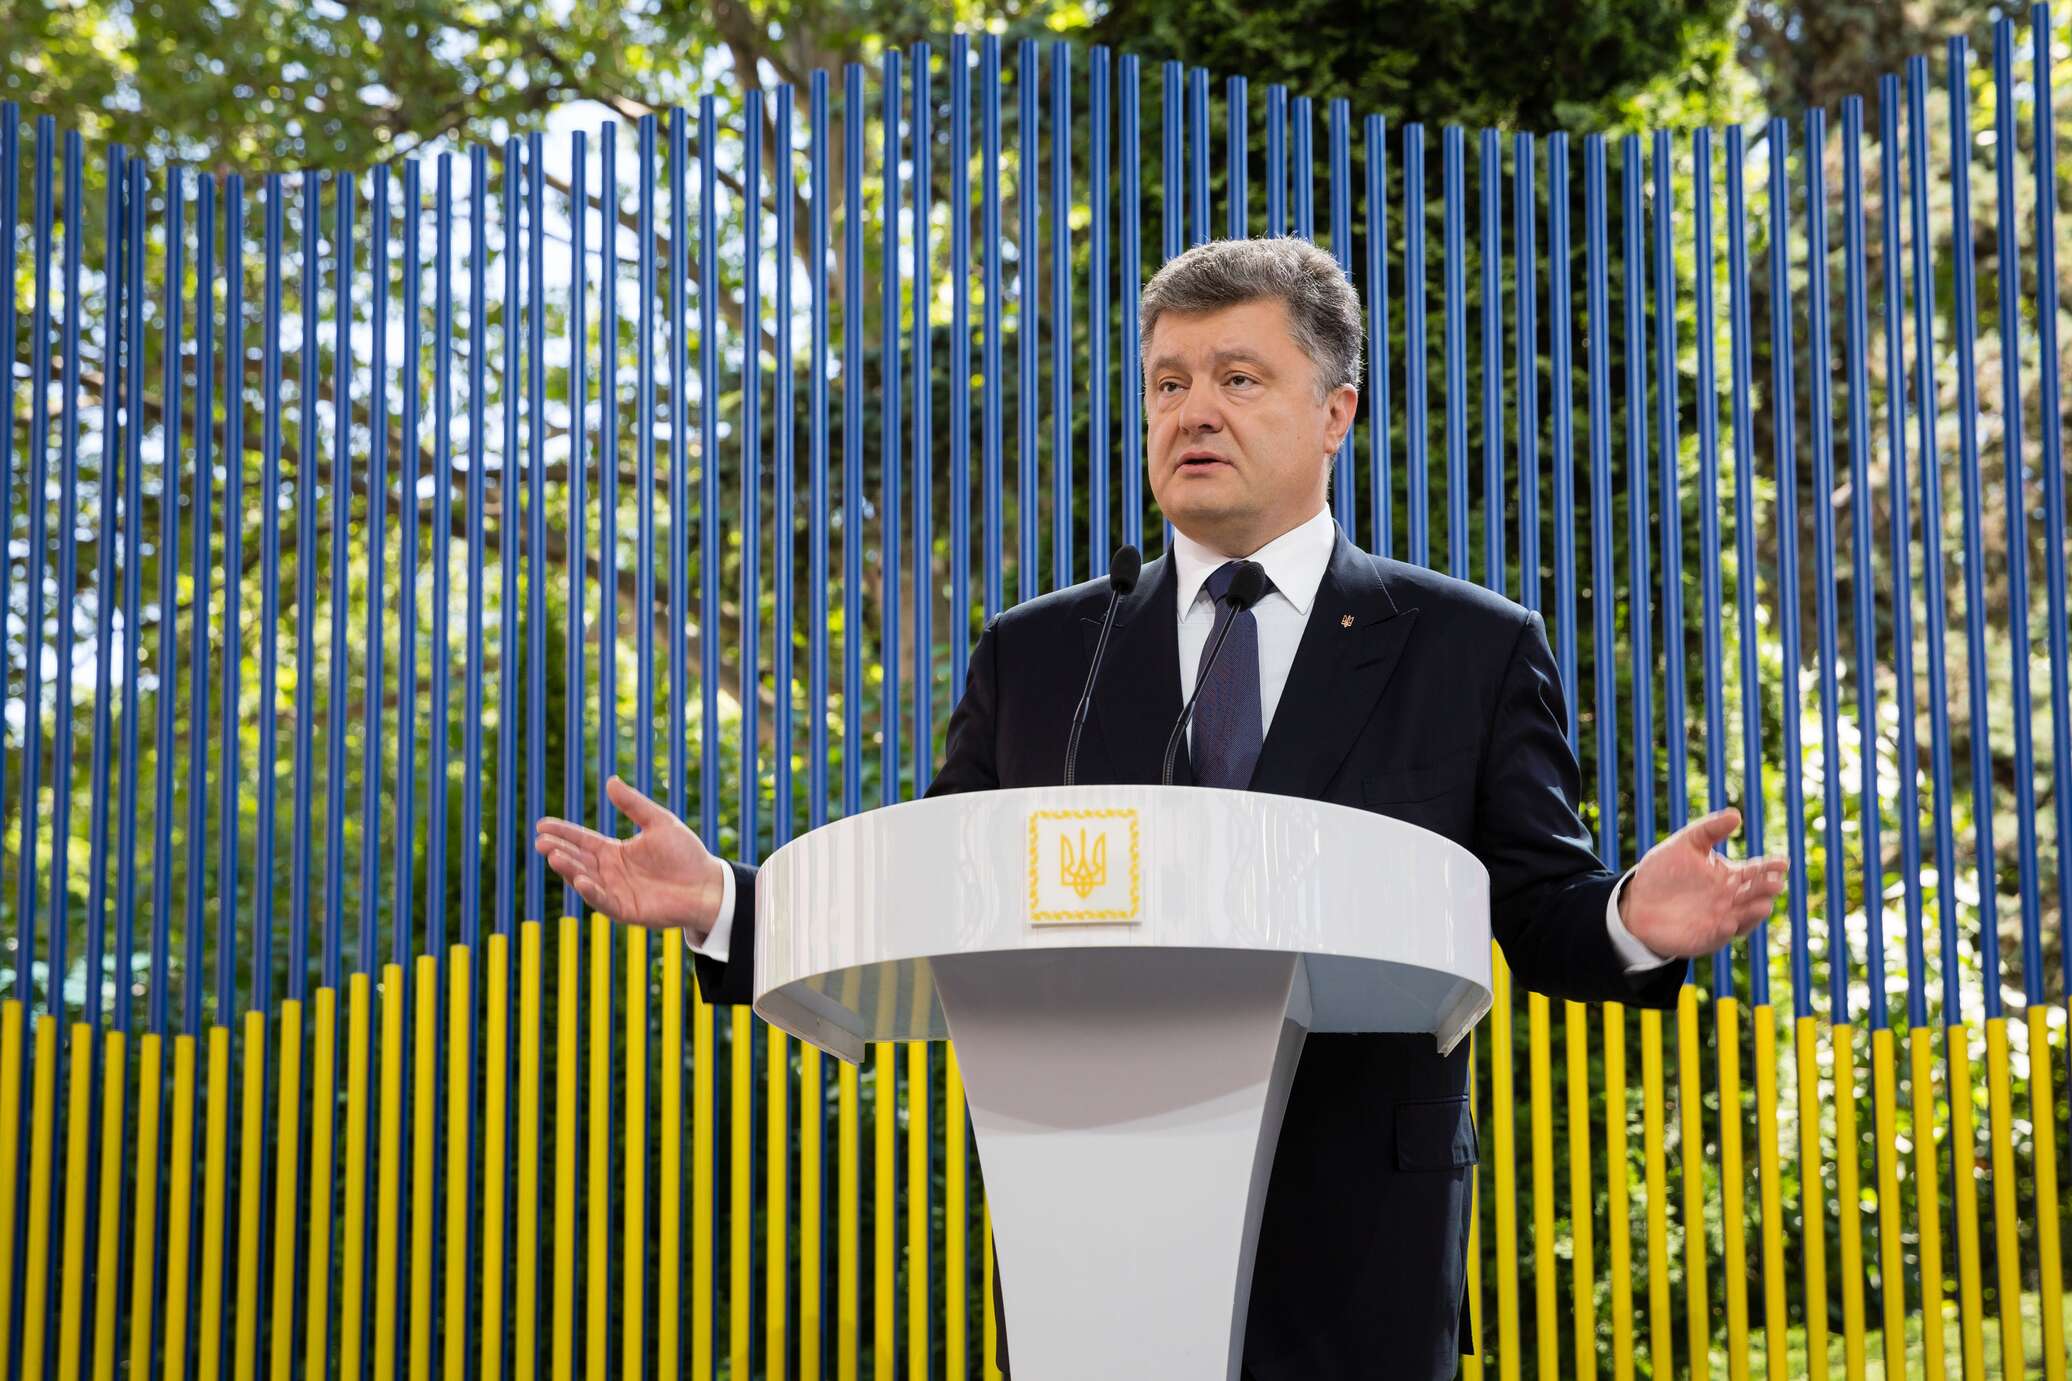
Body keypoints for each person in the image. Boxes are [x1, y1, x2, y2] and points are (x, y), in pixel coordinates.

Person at [534, 235, 1789, 1379]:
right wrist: (727, 905)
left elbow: (1537, 909)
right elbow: (940, 896)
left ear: (1334, 410)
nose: (1193, 411)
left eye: (1238, 378)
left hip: (1355, 1249)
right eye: (1169, 383)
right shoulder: (1044, 655)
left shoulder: (1463, 646)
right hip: (1089, 1236)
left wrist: (1631, 917)